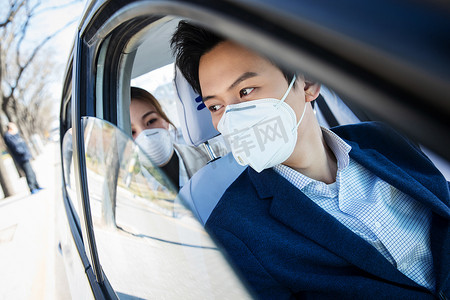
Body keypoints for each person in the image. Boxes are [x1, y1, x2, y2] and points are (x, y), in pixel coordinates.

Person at [170, 21, 450, 299]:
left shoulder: (380, 139)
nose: (232, 117)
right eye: (215, 106)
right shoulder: (233, 233)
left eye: (246, 91)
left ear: (307, 84)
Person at [130, 86, 225, 190]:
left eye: (151, 121)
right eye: (132, 132)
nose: (145, 136)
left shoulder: (214, 154)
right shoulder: (127, 188)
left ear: (165, 120)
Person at [3, 122, 42, 194]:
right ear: (10, 127)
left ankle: (36, 185)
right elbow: (15, 146)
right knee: (28, 173)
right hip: (21, 157)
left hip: (25, 156)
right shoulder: (8, 136)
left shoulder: (15, 134)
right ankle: (32, 188)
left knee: (32, 172)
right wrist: (23, 152)